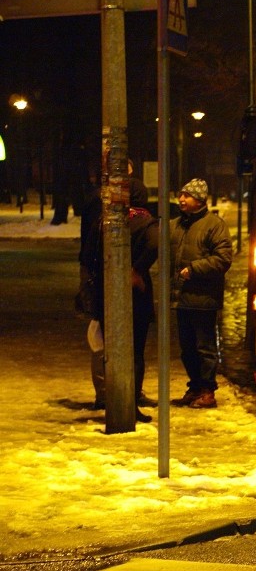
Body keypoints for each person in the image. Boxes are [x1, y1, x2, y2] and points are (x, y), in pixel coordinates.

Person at [79, 167, 159, 422]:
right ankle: (130, 403)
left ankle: (110, 399)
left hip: (106, 294)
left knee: (111, 349)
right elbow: (157, 244)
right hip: (137, 295)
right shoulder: (146, 220)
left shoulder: (104, 220)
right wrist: (137, 269)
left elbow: (88, 256)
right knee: (134, 352)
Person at [169, 178, 233, 409]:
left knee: (204, 347)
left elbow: (223, 259)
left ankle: (207, 390)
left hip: (203, 298)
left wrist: (194, 269)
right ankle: (195, 387)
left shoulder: (214, 225)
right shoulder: (175, 225)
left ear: (200, 200)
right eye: (181, 195)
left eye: (187, 196)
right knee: (187, 348)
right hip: (181, 297)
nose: (181, 199)